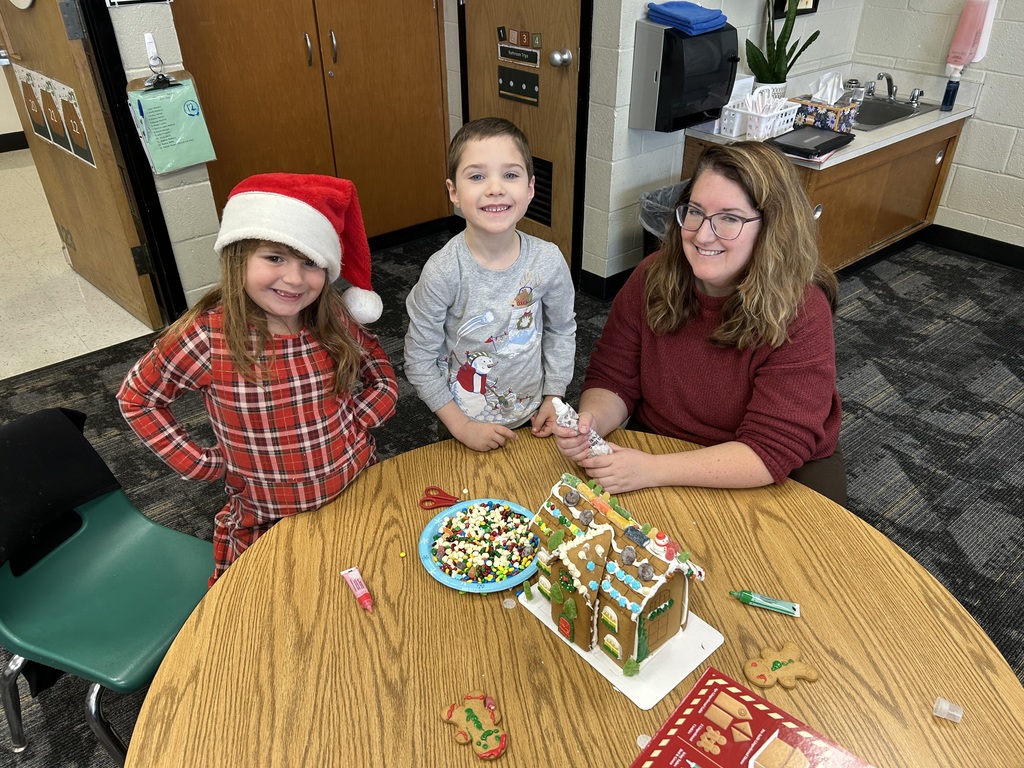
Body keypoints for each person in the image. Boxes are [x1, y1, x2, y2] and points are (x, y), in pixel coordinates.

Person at [117, 173, 399, 585]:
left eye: (311, 263)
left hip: (355, 488)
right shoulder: (209, 337)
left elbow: (375, 359)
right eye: (274, 258)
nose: (294, 279)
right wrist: (199, 463)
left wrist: (365, 414)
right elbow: (137, 397)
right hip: (266, 515)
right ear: (238, 258)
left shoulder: (331, 317)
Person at [555, 141, 846, 505]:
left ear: (772, 227)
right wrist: (591, 422)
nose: (703, 234)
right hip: (661, 442)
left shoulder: (803, 309)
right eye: (695, 211)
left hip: (775, 465)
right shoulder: (652, 275)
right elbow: (613, 378)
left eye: (730, 218)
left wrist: (652, 470)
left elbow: (772, 449)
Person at [404, 117, 577, 452]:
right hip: (462, 421)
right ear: (454, 192)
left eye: (510, 175)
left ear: (530, 189)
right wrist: (462, 426)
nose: (495, 187)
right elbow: (419, 358)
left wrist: (554, 397)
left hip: (535, 416)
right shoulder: (443, 271)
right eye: (477, 176)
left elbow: (561, 330)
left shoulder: (548, 260)